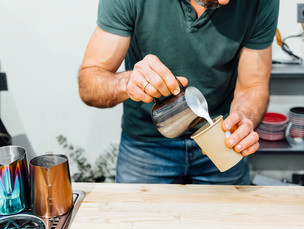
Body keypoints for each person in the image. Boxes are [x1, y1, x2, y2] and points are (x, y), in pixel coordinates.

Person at [78, 0, 279, 185]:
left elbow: (253, 87)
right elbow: (89, 84)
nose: (226, 1)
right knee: (139, 223)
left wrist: (244, 118)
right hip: (146, 146)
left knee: (228, 223)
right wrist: (127, 82)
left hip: (222, 142)